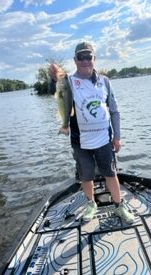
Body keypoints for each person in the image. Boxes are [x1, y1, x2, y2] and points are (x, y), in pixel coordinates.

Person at [49, 42, 135, 224]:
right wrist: (53, 77)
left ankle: (120, 205)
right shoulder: (69, 81)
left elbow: (114, 111)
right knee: (85, 175)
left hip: (104, 139)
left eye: (89, 57)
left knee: (111, 173)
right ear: (75, 60)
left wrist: (117, 137)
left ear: (94, 59)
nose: (85, 61)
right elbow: (55, 90)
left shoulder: (105, 81)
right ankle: (91, 204)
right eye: (81, 57)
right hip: (80, 141)